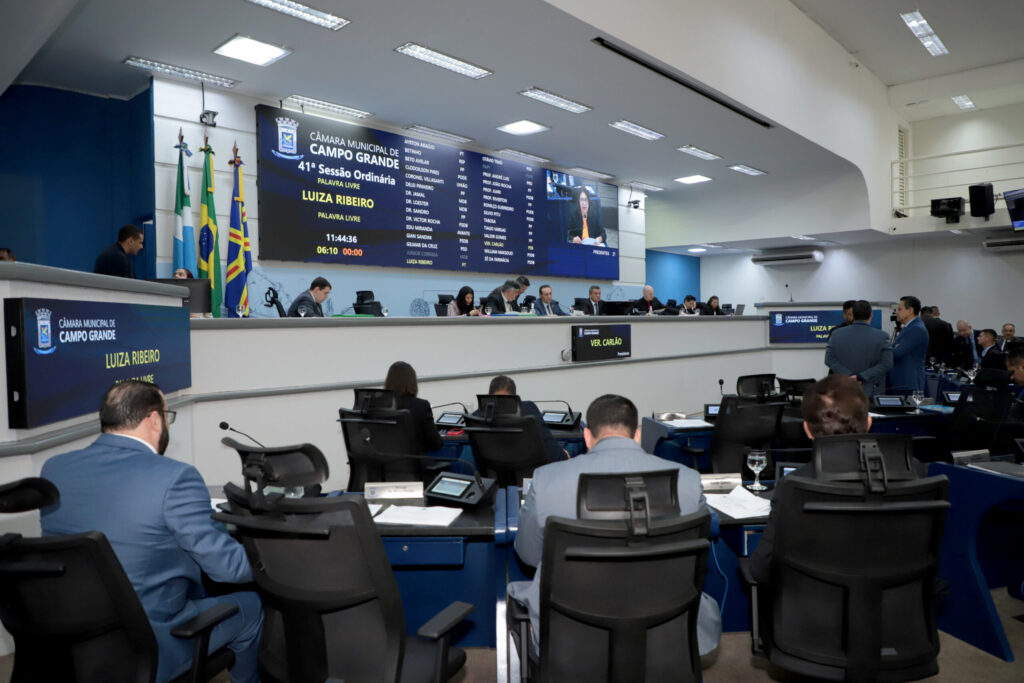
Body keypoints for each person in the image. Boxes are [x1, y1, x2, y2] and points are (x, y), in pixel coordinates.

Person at [40, 381, 261, 683]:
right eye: (168, 417)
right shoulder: (175, 477)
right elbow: (227, 569)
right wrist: (275, 563)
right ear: (155, 419)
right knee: (252, 606)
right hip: (150, 645)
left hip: (73, 645)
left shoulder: (55, 469)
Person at [509, 394, 721, 656]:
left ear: (587, 436)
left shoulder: (545, 480)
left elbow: (528, 556)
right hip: (666, 623)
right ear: (638, 435)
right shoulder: (688, 480)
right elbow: (700, 548)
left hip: (573, 626)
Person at [749, 375, 898, 584]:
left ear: (807, 430)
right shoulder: (916, 472)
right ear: (870, 422)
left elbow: (761, 570)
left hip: (812, 603)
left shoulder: (794, 485)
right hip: (900, 602)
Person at [477, 375, 565, 463]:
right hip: (527, 470)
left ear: (488, 396)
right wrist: (564, 455)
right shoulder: (529, 409)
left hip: (490, 469)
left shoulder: (477, 416)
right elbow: (555, 455)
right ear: (515, 399)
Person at [824, 299, 893, 397]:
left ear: (853, 315)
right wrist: (861, 377)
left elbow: (829, 360)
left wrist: (849, 375)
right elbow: (887, 363)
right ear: (871, 315)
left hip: (844, 389)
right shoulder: (882, 336)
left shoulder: (836, 334)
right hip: (871, 391)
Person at [384, 361, 443, 453]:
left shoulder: (376, 404)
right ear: (412, 382)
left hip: (383, 461)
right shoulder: (421, 405)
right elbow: (435, 444)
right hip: (414, 461)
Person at [887, 295, 928, 394]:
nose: (897, 312)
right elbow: (895, 349)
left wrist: (889, 348)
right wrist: (894, 347)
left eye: (900, 309)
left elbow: (896, 353)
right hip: (903, 382)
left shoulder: (916, 329)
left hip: (908, 383)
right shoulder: (909, 327)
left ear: (910, 310)